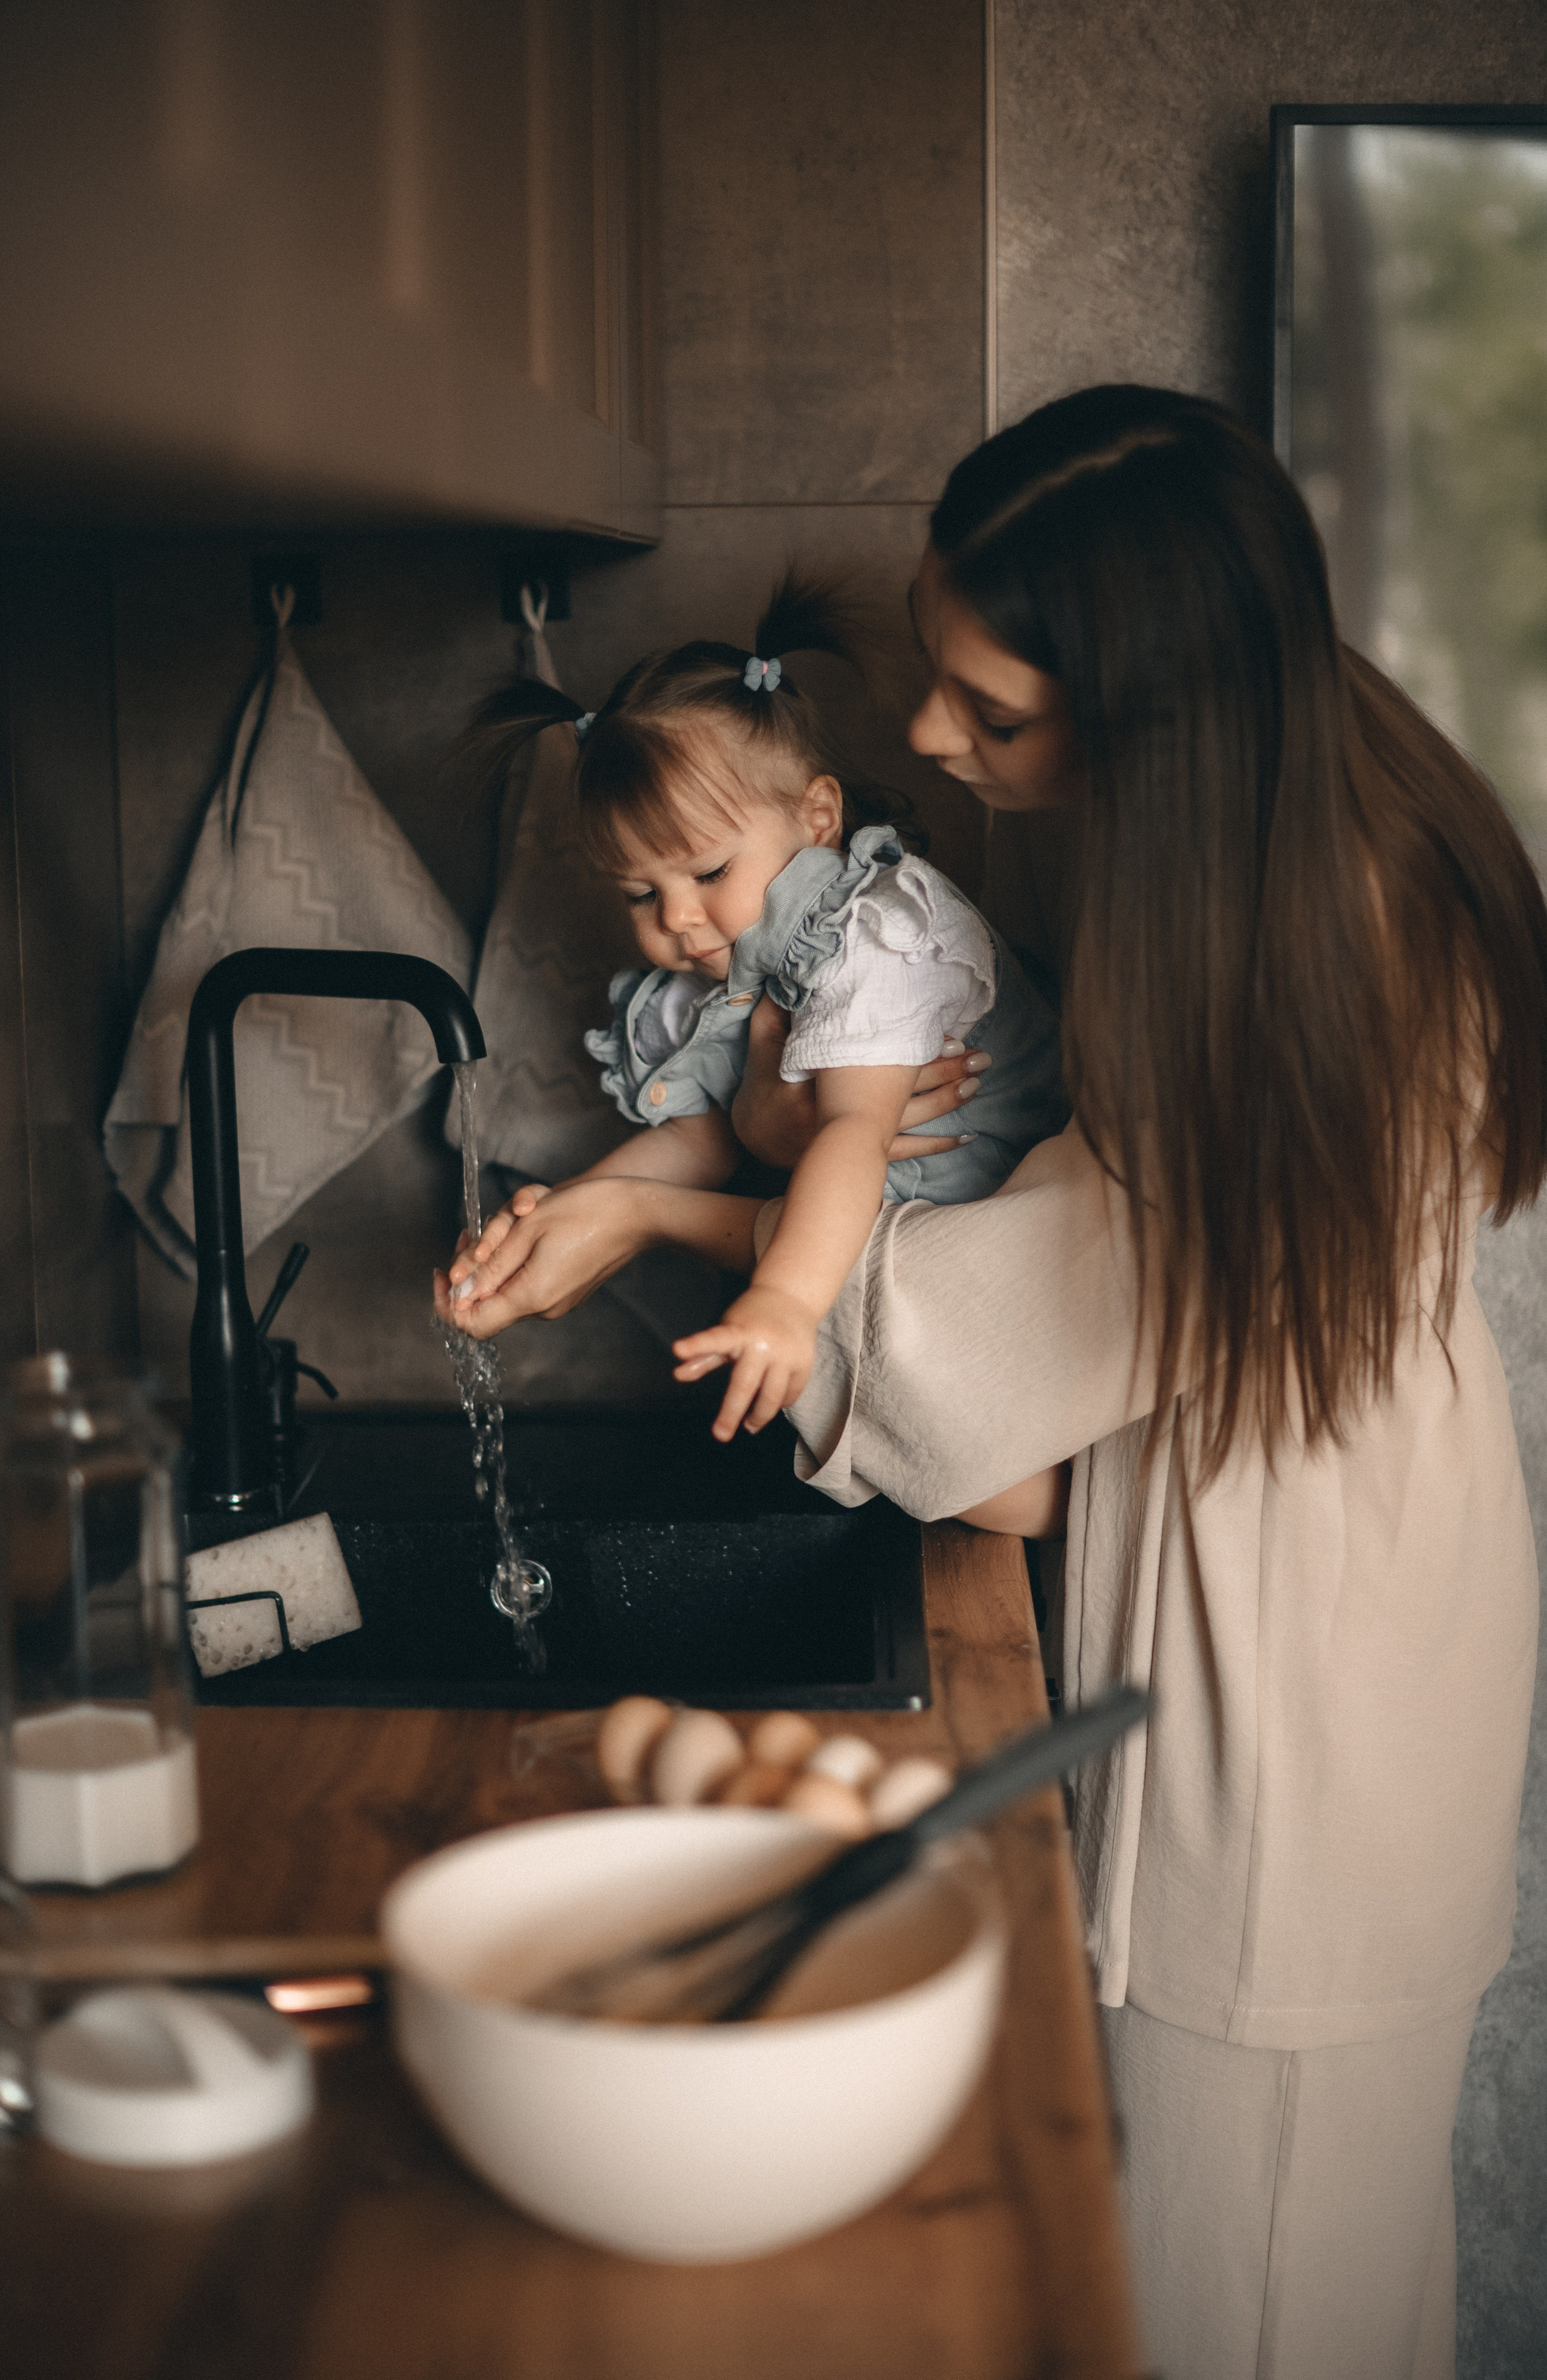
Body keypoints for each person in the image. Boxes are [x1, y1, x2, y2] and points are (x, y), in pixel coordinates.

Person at [437, 385, 1547, 2376]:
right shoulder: (1248, 845)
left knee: (1253, 2295)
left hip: (1292, 1677)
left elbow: (1011, 1346)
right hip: (1277, 1591)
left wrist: (669, 1224)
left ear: (1161, 703)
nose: (931, 741)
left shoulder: (1334, 955)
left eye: (990, 707)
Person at [444, 573, 1066, 1443]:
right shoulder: (740, 971)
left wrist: (782, 1298)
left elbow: (851, 1132)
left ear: (818, 819)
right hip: (892, 1244)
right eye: (638, 893)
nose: (676, 920)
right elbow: (703, 1137)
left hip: (1001, 1262)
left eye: (706, 873)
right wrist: (557, 1218)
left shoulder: (874, 939)